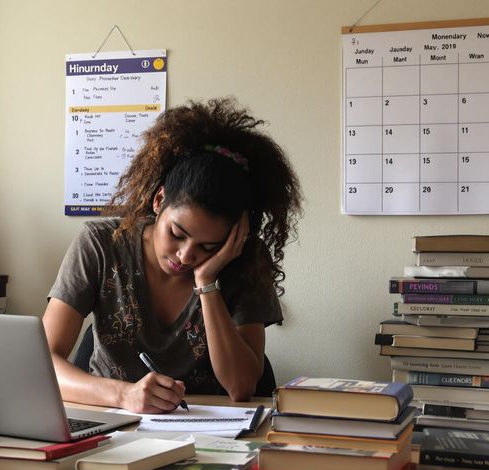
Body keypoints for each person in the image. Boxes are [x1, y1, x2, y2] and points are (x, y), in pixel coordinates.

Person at [44, 97, 303, 413]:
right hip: (112, 418)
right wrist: (124, 395)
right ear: (159, 200)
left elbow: (241, 386)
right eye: (177, 234)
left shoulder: (245, 262)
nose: (186, 254)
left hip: (207, 430)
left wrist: (207, 283)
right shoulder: (102, 244)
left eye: (209, 247)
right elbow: (43, 364)